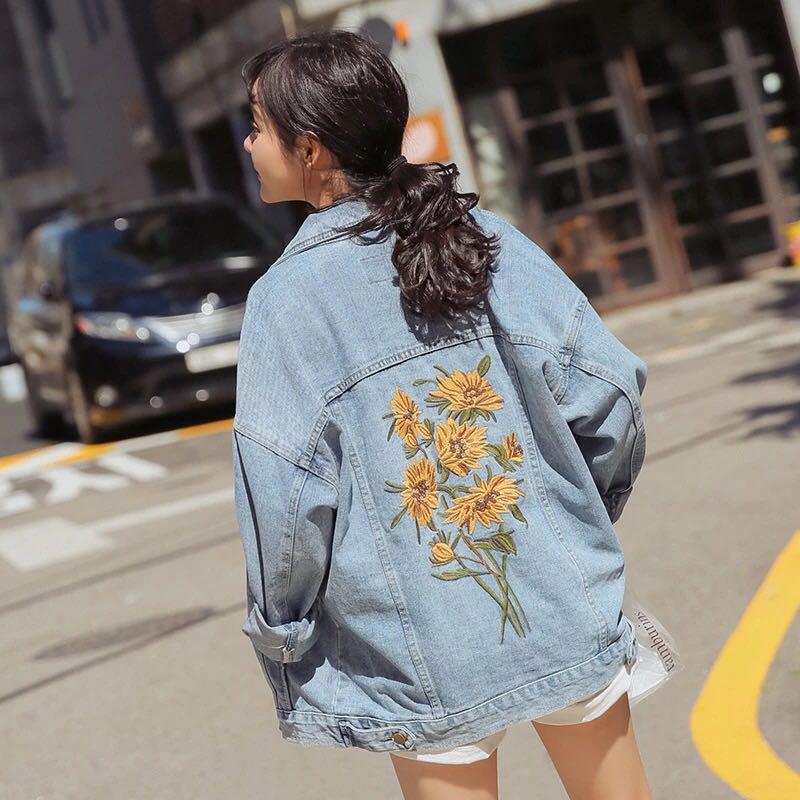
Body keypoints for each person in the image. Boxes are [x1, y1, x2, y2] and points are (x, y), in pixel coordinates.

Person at [232, 29, 654, 800]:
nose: (249, 142)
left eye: (257, 124)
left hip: (417, 645)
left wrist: (282, 630)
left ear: (313, 148)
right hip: (560, 595)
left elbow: (285, 497)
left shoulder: (287, 301)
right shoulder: (486, 237)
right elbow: (609, 389)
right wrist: (578, 516)